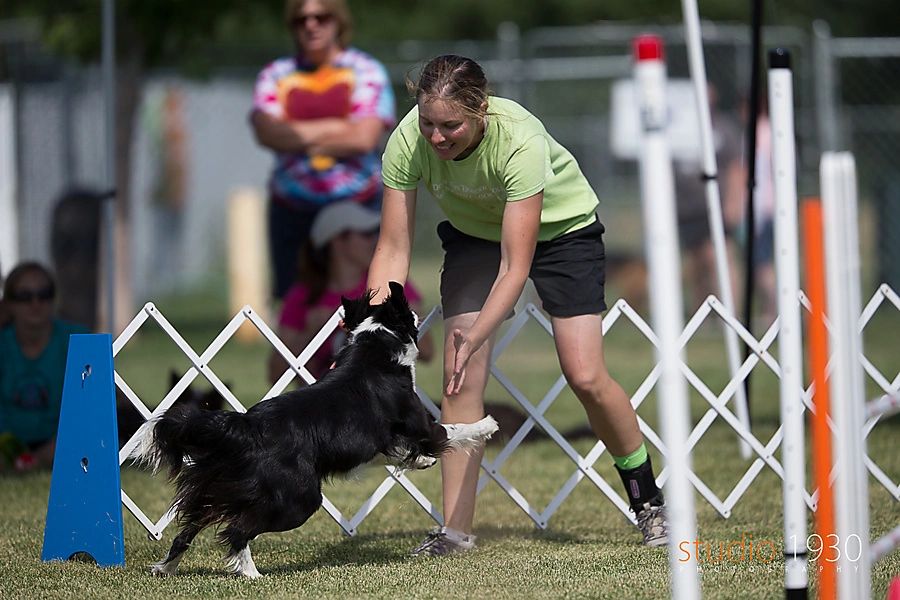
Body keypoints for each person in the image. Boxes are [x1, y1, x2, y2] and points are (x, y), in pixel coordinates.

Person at [367, 55, 669, 556]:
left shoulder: (521, 140)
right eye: (428, 124)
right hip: (473, 236)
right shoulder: (406, 141)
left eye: (451, 126)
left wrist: (476, 333)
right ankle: (455, 534)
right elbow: (392, 250)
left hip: (562, 233)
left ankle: (648, 500)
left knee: (585, 375)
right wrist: (373, 329)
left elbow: (515, 267)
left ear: (481, 109)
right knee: (458, 376)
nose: (436, 138)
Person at [250, 0, 396, 301]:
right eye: (302, 20)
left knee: (368, 301)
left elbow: (364, 138)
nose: (311, 25)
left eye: (321, 17)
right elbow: (266, 132)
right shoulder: (276, 74)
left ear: (338, 21)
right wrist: (339, 126)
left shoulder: (365, 70)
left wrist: (293, 131)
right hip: (292, 208)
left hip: (358, 206)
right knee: (297, 308)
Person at [268, 201, 433, 384]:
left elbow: (427, 351)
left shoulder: (391, 283)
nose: (376, 240)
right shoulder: (302, 296)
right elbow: (275, 375)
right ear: (337, 241)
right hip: (320, 404)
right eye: (366, 233)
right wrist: (309, 333)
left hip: (378, 402)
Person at [0, 262, 88, 472]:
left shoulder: (77, 340)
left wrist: (46, 454)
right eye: (24, 296)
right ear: (9, 303)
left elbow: (90, 408)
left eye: (44, 294)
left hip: (64, 443)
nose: (35, 303)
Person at [673, 84, 744, 313]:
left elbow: (736, 168)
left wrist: (734, 203)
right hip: (684, 208)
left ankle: (730, 311)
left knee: (720, 257)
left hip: (715, 205)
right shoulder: (677, 128)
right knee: (695, 263)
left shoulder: (723, 130)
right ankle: (701, 313)